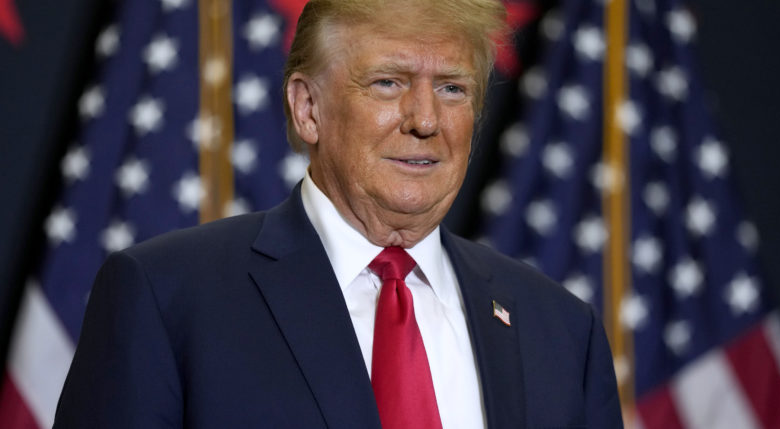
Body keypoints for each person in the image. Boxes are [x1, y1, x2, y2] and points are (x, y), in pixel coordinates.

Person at [54, 0, 623, 427]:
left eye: (452, 89)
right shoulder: (168, 297)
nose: (425, 119)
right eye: (388, 83)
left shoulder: (563, 332)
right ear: (307, 108)